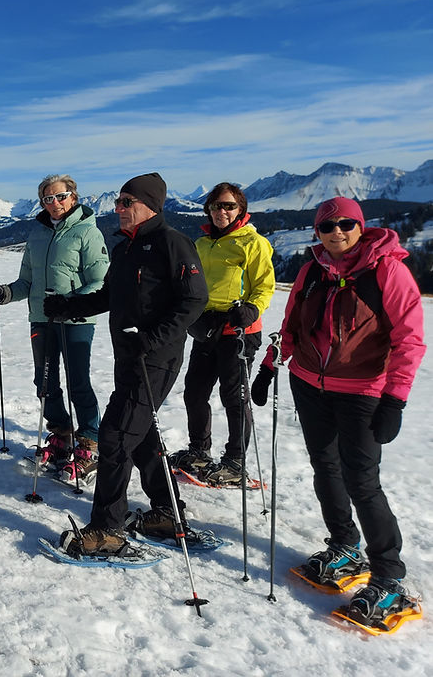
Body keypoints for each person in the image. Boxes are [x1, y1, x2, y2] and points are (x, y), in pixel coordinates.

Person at [251, 196, 424, 624]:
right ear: (318, 232)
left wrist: (395, 398)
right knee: (324, 466)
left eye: (347, 224)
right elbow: (291, 324)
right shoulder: (312, 271)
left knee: (362, 480)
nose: (338, 233)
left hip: (364, 392)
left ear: (360, 226)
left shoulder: (388, 271)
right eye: (328, 227)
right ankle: (344, 545)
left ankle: (388, 577)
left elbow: (410, 340)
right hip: (310, 384)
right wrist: (272, 365)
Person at [44, 173, 208, 554]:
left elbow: (193, 300)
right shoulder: (125, 248)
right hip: (129, 357)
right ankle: (167, 511)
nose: (118, 209)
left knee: (116, 435)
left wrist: (150, 340)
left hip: (157, 359)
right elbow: (109, 296)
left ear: (149, 205)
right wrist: (70, 307)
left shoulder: (172, 243)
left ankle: (107, 529)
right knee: (139, 434)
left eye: (126, 202)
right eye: (117, 202)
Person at [0, 175, 109, 484]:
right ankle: (61, 435)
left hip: (75, 320)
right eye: (47, 199)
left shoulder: (87, 233)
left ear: (74, 196)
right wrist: (6, 293)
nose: (54, 204)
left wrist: (71, 303)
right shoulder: (38, 234)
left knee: (78, 381)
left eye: (61, 196)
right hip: (41, 317)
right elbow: (27, 281)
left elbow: (100, 281)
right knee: (44, 381)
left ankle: (89, 445)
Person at [171, 182, 275, 485]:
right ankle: (199, 450)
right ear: (209, 209)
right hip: (206, 327)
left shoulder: (253, 243)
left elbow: (264, 286)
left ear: (240, 209)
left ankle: (235, 460)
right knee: (194, 392)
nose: (222, 211)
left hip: (239, 329)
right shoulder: (203, 244)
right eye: (217, 206)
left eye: (229, 206)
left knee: (234, 395)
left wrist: (252, 310)